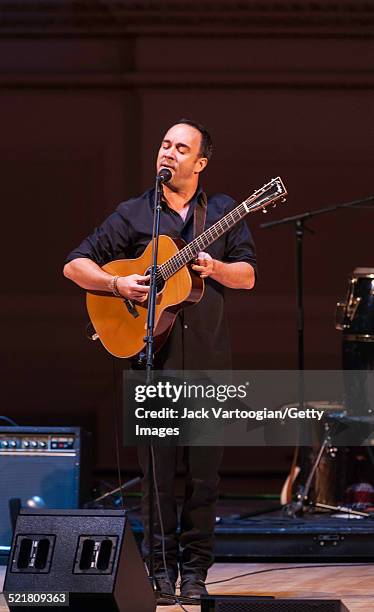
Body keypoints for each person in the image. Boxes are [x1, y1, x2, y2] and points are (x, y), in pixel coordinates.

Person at [63, 119, 257, 604]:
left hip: (211, 362)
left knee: (204, 478)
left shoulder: (225, 212)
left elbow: (248, 276)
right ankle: (159, 574)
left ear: (201, 162)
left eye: (180, 148)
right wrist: (117, 285)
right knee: (156, 480)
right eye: (164, 145)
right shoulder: (134, 215)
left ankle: (195, 574)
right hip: (153, 361)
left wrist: (214, 268)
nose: (167, 153)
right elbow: (75, 264)